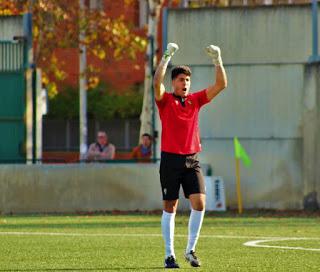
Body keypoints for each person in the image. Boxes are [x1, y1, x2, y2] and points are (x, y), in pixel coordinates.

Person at [153, 42, 227, 268]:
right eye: (180, 79)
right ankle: (169, 255)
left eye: (187, 80)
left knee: (200, 203)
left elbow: (221, 84)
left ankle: (190, 251)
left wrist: (218, 59)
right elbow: (156, 83)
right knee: (170, 206)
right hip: (170, 159)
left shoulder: (195, 100)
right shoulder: (165, 101)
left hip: (191, 159)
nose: (184, 83)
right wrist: (166, 57)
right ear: (173, 82)